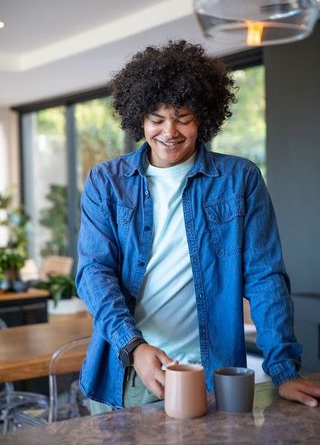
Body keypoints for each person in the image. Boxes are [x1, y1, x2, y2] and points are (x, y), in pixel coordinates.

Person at [76, 40, 320, 413]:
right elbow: (94, 273)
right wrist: (133, 346)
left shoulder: (240, 179)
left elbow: (265, 278)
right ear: (139, 118)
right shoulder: (107, 182)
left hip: (212, 374)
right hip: (132, 371)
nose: (169, 131)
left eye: (183, 117)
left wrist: (284, 372)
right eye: (157, 119)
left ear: (204, 116)